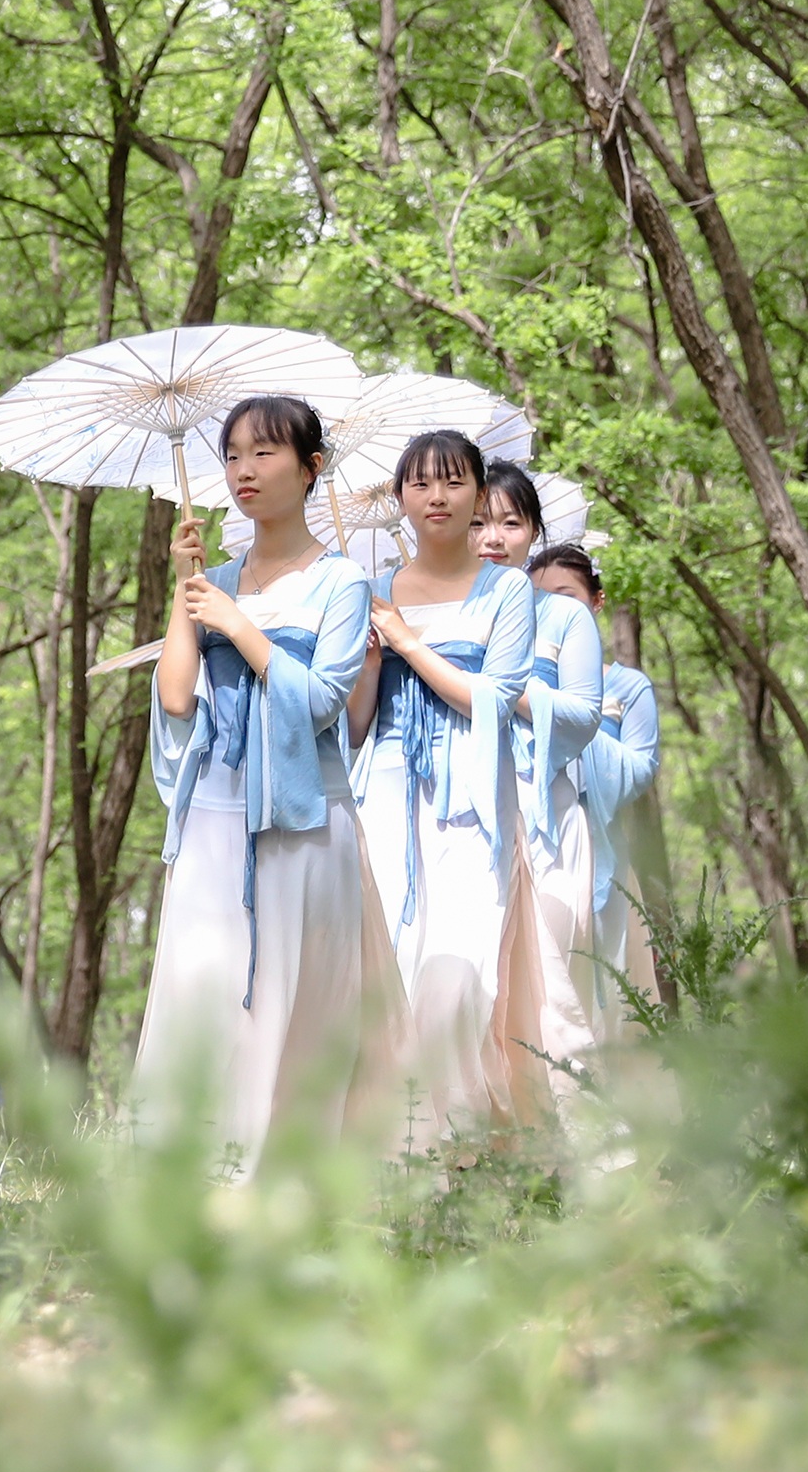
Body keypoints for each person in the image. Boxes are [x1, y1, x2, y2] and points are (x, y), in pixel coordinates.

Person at [134, 396, 401, 1177]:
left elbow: (321, 703)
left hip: (302, 822)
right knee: (206, 993)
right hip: (215, 817)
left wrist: (240, 625)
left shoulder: (343, 582)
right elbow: (176, 699)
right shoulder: (212, 580)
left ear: (311, 467)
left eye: (264, 452)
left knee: (295, 1001)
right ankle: (194, 1178)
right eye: (233, 455)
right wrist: (186, 591)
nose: (243, 470)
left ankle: (289, 1179)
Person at [346, 428, 544, 1136]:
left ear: (478, 494)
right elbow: (357, 727)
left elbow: (494, 698)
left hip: (471, 797)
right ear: (400, 496)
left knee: (457, 978)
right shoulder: (372, 593)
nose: (437, 496)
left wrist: (407, 642)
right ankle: (401, 1145)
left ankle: (461, 1135)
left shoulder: (508, 589)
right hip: (385, 793)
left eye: (455, 481)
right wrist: (370, 664)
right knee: (391, 972)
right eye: (421, 482)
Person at [476, 464, 605, 1075]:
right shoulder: (440, 613)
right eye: (478, 522)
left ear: (533, 532)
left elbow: (582, 715)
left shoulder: (563, 617)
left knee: (551, 986)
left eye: (510, 522)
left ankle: (564, 1117)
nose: (492, 538)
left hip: (546, 815)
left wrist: (502, 686)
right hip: (464, 817)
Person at [533, 542, 662, 1012]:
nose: (550, 607)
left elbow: (640, 768)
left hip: (600, 838)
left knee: (608, 978)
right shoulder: (523, 674)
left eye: (564, 596)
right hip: (538, 830)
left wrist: (580, 725)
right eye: (538, 597)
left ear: (596, 600)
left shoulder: (628, 686)